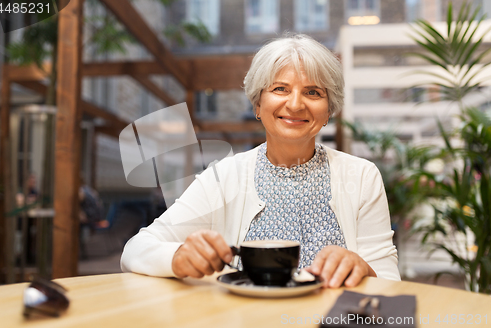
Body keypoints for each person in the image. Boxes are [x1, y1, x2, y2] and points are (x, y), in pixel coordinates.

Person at [121, 34, 400, 287]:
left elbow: (389, 280)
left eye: (313, 92)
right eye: (280, 89)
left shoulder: (362, 176)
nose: (295, 104)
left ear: (328, 111)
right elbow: (136, 249)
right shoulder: (223, 177)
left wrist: (364, 267)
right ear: (258, 104)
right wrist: (178, 256)